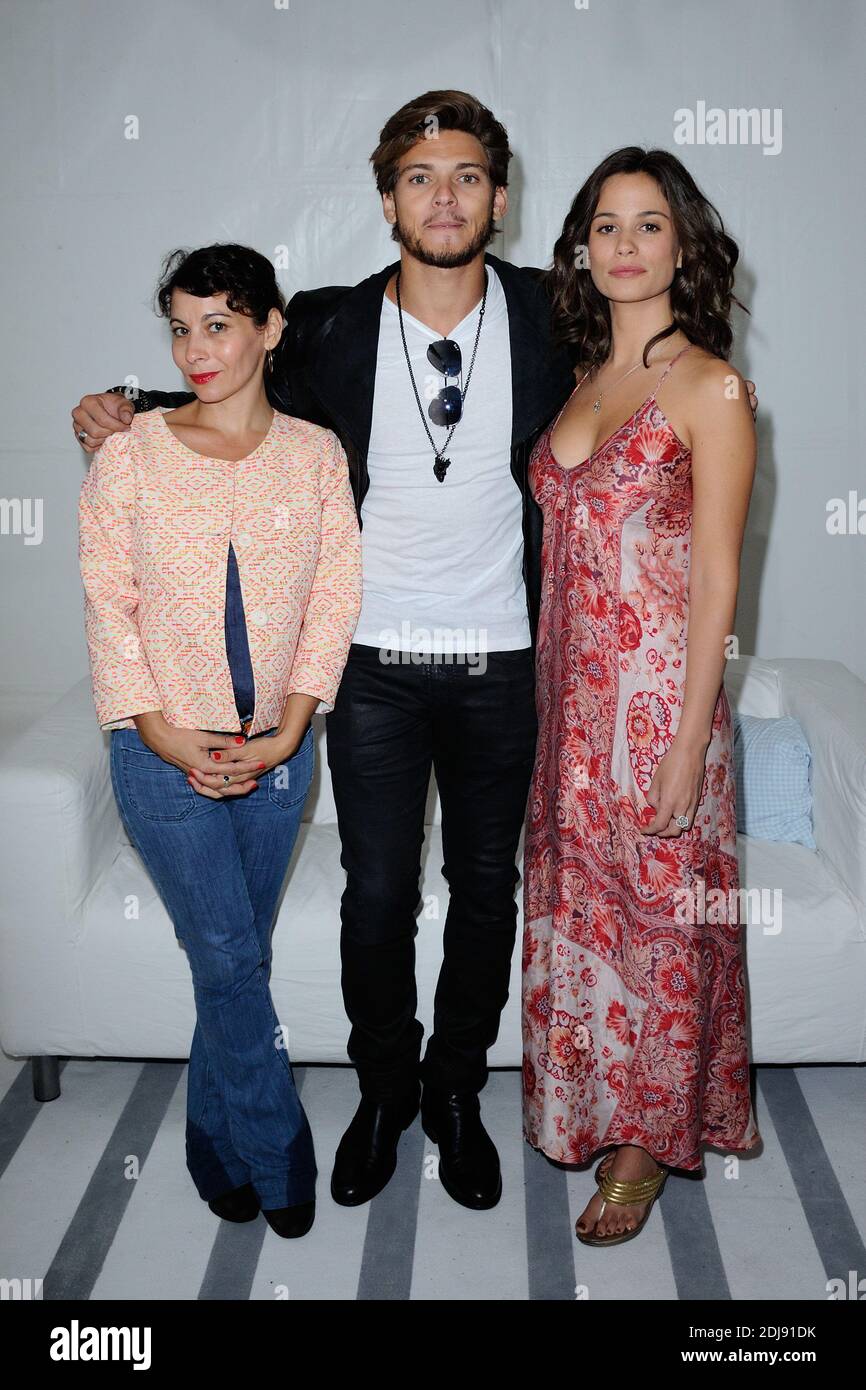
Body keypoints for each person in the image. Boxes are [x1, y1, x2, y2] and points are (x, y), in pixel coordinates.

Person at [71, 93, 758, 1214]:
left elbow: (665, 418)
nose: (445, 196)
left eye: (468, 175)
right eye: (421, 176)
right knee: (375, 892)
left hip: (506, 661)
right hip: (372, 662)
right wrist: (120, 405)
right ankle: (384, 1092)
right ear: (387, 195)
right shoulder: (335, 326)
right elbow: (238, 387)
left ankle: (452, 1092)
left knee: (487, 893)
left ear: (499, 194)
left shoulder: (557, 318)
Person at [77, 242, 362, 1238]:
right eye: (180, 328)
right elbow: (109, 605)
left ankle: (209, 1148)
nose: (196, 349)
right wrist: (159, 730)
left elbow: (333, 598)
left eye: (219, 324)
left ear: (269, 329)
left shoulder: (314, 454)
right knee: (236, 961)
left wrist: (291, 727)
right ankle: (281, 1159)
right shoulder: (133, 451)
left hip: (279, 758)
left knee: (223, 960)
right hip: (161, 758)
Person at [522, 147, 761, 1246]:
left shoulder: (707, 384)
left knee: (659, 922)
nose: (623, 244)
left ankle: (642, 1144)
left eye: (647, 224)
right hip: (567, 705)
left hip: (660, 705)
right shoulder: (581, 379)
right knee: (584, 914)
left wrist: (683, 744)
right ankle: (590, 1105)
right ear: (582, 246)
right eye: (604, 225)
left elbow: (717, 577)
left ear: (682, 243)